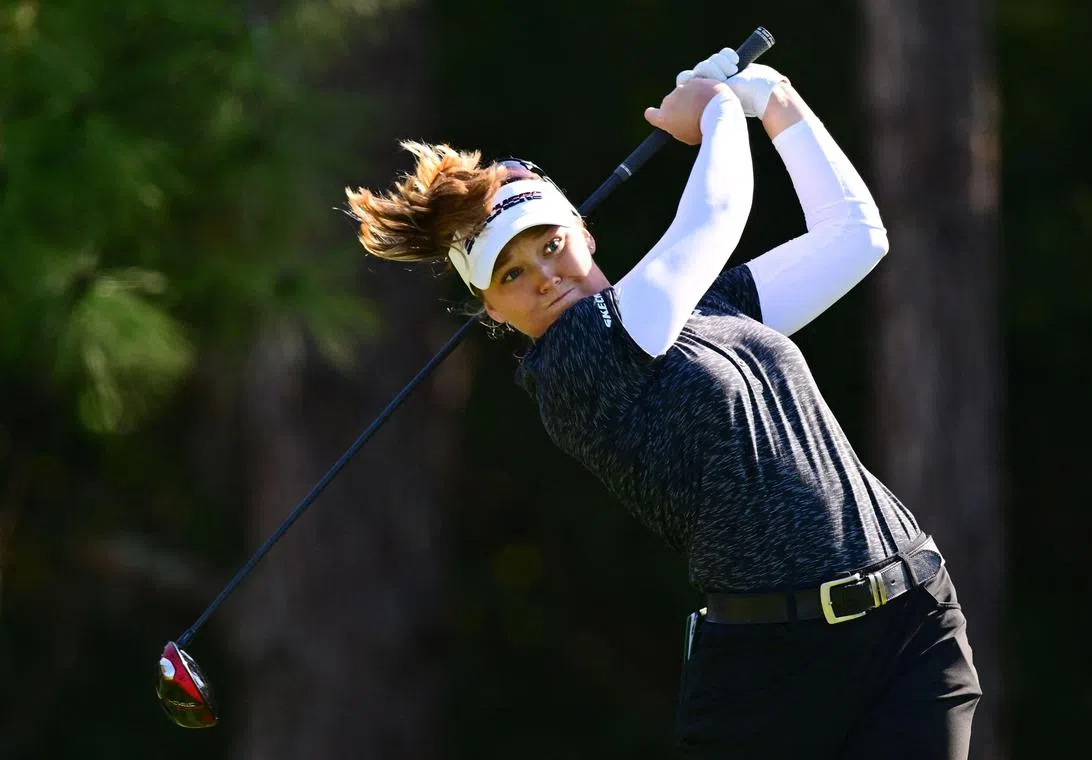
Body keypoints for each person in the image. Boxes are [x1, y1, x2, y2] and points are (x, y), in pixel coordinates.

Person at [346, 48, 982, 760]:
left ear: (584, 234)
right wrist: (713, 110)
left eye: (552, 245)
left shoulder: (703, 309)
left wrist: (772, 99)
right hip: (773, 670)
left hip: (912, 622)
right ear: (489, 307)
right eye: (512, 275)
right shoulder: (574, 364)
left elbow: (855, 238)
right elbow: (716, 213)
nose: (547, 278)